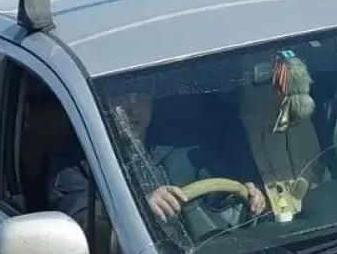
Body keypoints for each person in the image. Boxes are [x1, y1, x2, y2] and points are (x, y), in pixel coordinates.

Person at [48, 92, 267, 228]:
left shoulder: (181, 145)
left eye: (141, 97)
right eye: (120, 98)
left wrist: (247, 192)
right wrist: (138, 209)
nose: (133, 107)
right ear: (100, 105)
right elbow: (79, 223)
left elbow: (214, 190)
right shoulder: (74, 164)